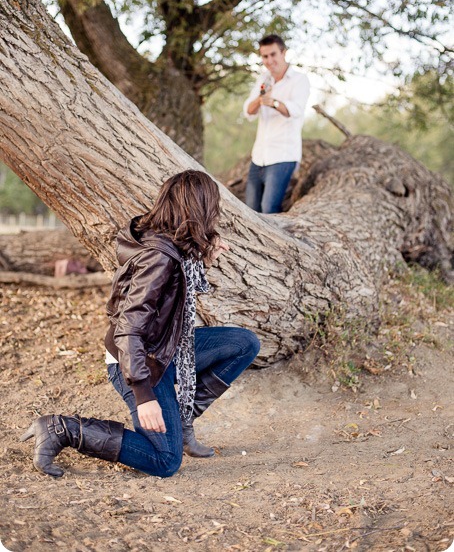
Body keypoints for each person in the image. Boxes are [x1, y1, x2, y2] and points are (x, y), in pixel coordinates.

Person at [20, 170, 260, 478]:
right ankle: (61, 429)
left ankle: (181, 417)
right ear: (199, 209)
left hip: (165, 348)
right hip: (137, 360)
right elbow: (129, 329)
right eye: (211, 207)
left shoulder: (167, 241)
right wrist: (144, 395)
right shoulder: (158, 258)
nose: (215, 214)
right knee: (165, 461)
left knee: (244, 344)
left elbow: (177, 290)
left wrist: (206, 253)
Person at [243, 34, 310, 213]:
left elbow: (295, 110)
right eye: (265, 56)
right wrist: (260, 99)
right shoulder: (263, 79)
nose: (269, 61)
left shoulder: (299, 80)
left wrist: (272, 102)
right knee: (250, 209)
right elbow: (248, 111)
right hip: (259, 156)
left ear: (283, 52)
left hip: (283, 155)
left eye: (273, 55)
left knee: (268, 209)